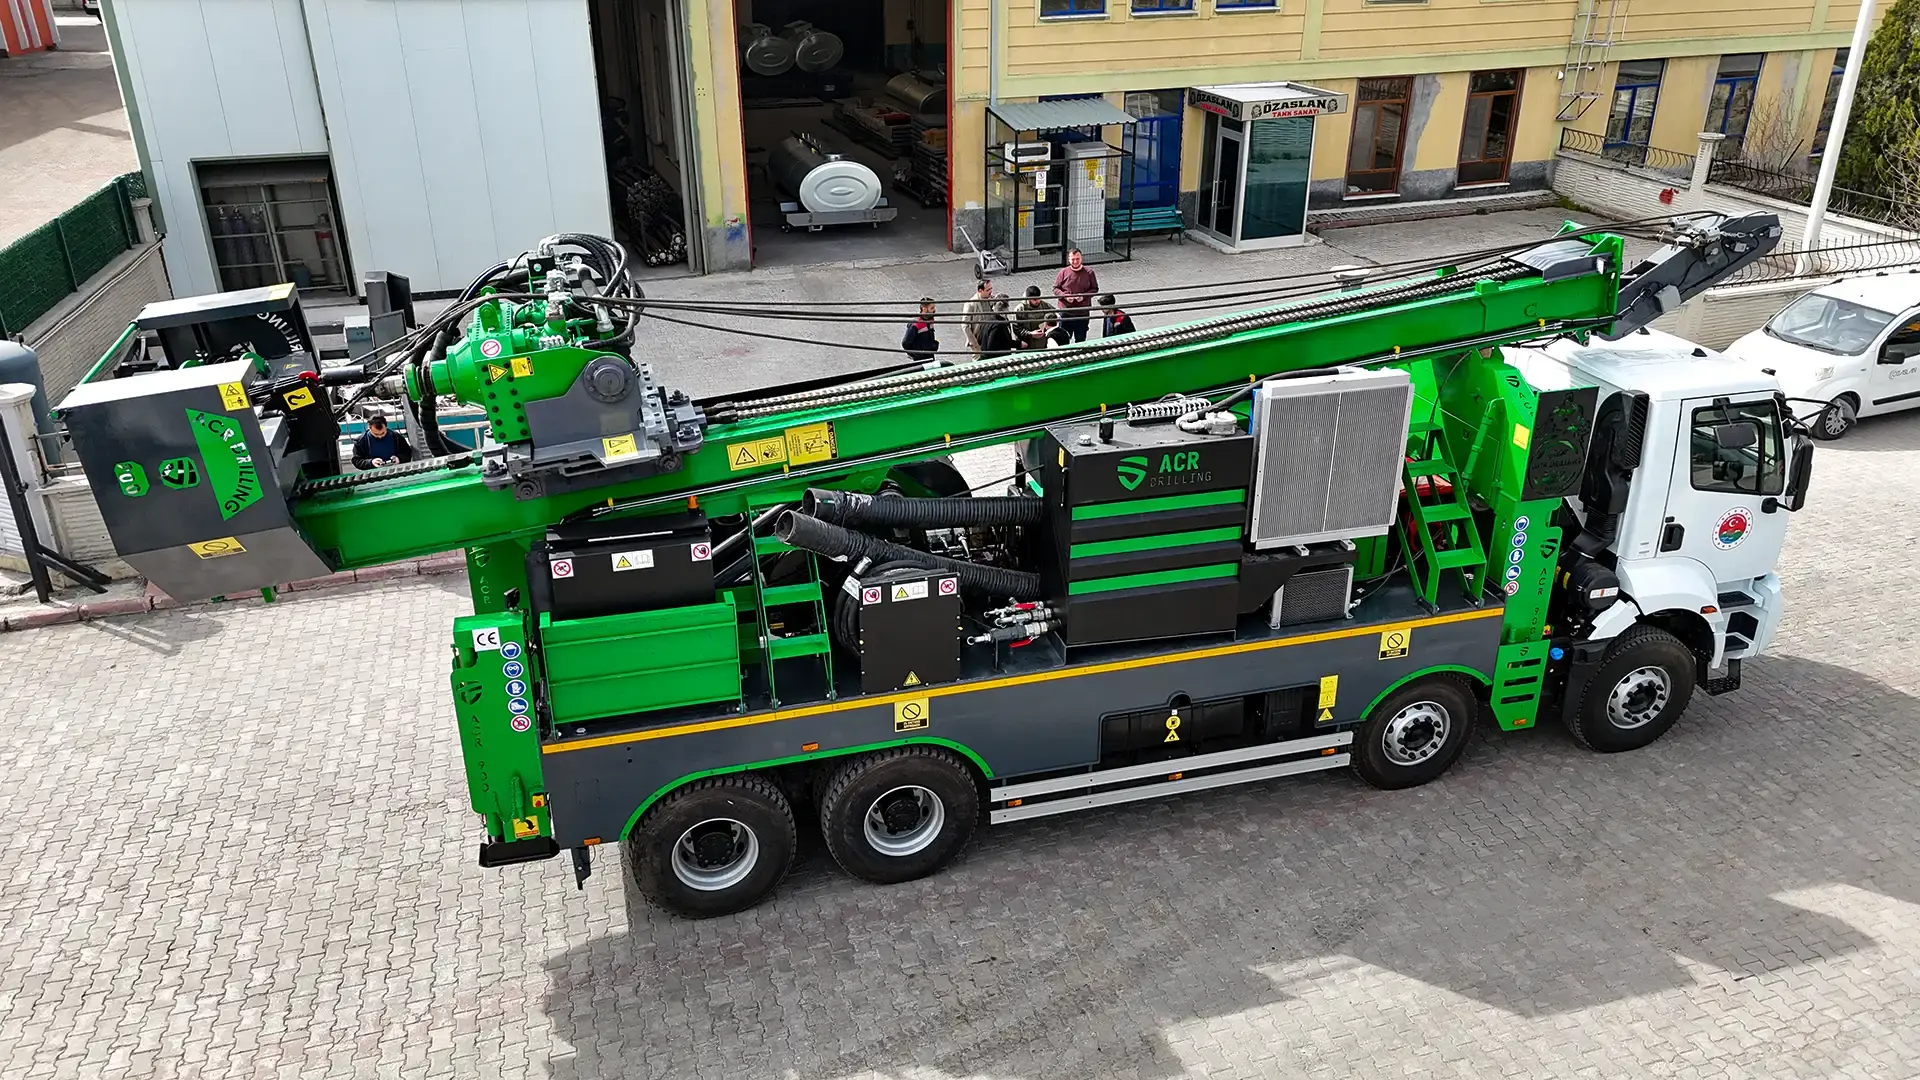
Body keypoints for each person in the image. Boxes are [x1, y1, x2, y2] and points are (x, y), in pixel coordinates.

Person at [1052, 247, 1100, 343]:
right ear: (1069, 260)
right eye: (1073, 259)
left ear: (1081, 258)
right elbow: (1055, 288)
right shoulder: (1063, 272)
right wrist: (1065, 296)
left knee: (1081, 339)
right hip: (1066, 313)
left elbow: (1095, 289)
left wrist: (1083, 296)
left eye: (1077, 259)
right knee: (1064, 340)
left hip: (1082, 313)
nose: (1075, 261)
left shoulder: (1089, 272)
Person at [962, 277, 996, 357]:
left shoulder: (992, 299)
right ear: (980, 291)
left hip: (990, 339)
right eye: (988, 290)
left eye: (991, 288)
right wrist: (974, 344)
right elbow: (965, 325)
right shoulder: (970, 304)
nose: (991, 291)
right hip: (979, 341)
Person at [1014, 285, 1053, 350]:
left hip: (1043, 343)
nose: (1037, 301)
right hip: (1027, 345)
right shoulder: (1020, 309)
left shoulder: (1045, 306)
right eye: (1034, 299)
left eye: (1039, 298)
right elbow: (1016, 329)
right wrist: (1030, 334)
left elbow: (1055, 316)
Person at [902, 297, 938, 363]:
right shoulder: (916, 325)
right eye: (932, 308)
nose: (934, 310)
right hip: (920, 360)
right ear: (924, 309)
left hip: (930, 356)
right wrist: (916, 355)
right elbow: (905, 344)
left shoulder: (930, 320)